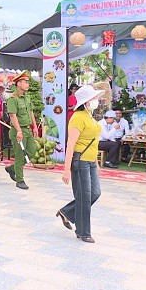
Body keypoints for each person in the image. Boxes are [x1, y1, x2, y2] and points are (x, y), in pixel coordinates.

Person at [58, 85, 104, 243]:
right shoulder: (78, 117)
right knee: (84, 196)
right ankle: (84, 232)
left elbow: (93, 142)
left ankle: (67, 212)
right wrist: (66, 170)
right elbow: (70, 145)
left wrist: (96, 162)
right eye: (94, 98)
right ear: (86, 101)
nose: (96, 101)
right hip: (80, 161)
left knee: (95, 193)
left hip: (90, 160)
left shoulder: (90, 115)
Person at [4, 71, 38, 190]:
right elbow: (13, 116)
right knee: (20, 155)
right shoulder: (13, 99)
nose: (28, 84)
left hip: (28, 130)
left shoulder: (27, 98)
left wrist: (34, 127)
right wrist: (18, 131)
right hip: (18, 130)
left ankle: (12, 168)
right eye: (25, 82)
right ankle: (20, 179)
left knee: (32, 152)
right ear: (18, 83)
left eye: (28, 82)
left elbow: (31, 112)